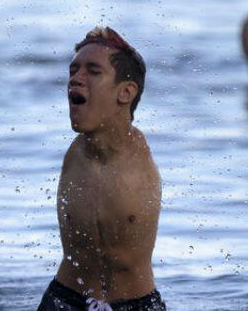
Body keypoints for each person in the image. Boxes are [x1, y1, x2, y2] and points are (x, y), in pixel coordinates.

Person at [37, 27, 165, 311]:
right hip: (65, 299)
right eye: (73, 71)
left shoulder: (139, 156)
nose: (76, 79)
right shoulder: (76, 152)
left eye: (93, 72)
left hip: (133, 304)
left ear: (126, 92)